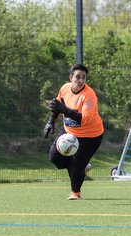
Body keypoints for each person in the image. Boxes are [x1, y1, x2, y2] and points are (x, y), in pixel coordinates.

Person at [43, 64, 104, 200]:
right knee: (55, 158)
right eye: (77, 77)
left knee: (76, 166)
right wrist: (51, 121)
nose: (80, 80)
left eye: (83, 77)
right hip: (69, 131)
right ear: (71, 77)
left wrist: (64, 110)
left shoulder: (89, 95)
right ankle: (82, 166)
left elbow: (86, 120)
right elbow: (57, 105)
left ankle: (75, 193)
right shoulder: (65, 88)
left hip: (90, 136)